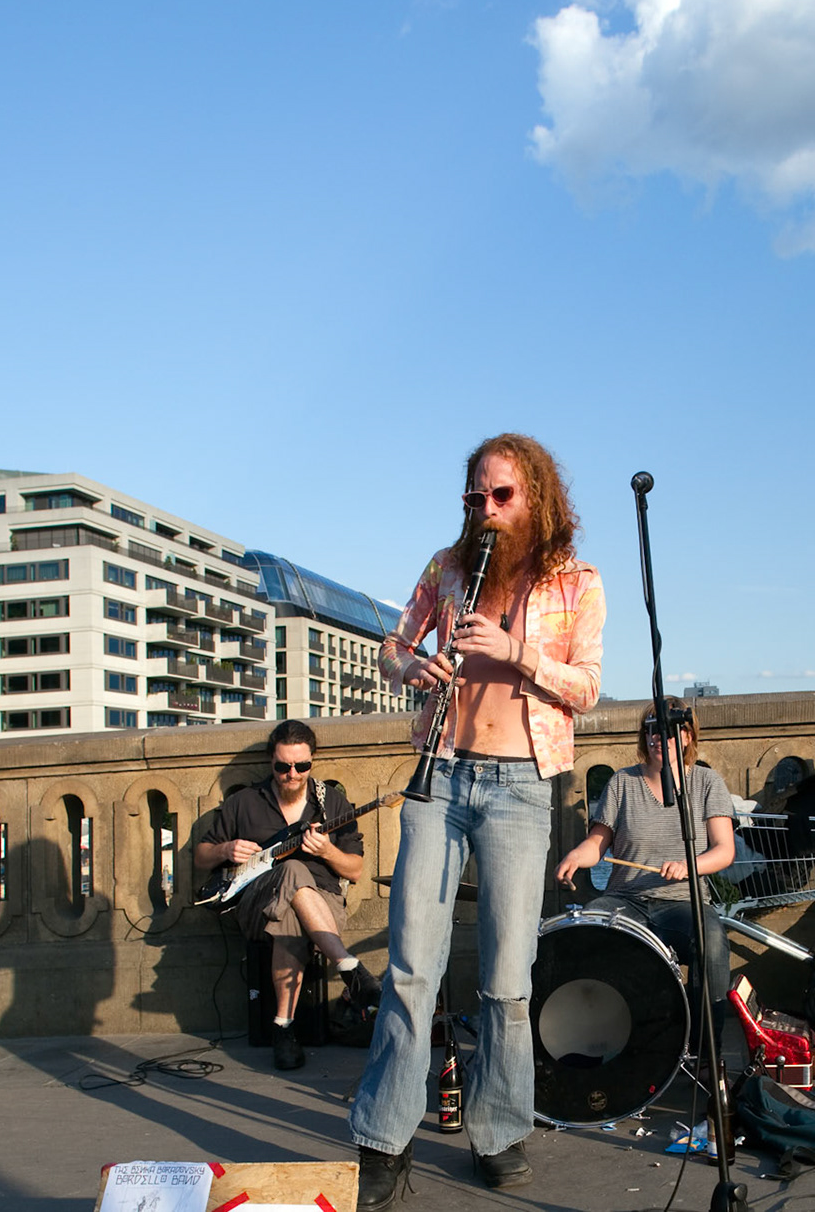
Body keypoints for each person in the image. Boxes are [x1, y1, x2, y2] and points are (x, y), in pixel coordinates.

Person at [351, 433, 604, 1210]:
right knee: (409, 968)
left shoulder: (578, 581)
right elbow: (391, 647)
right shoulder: (448, 568)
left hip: (522, 785)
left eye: (501, 497)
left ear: (537, 498)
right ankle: (385, 1139)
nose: (486, 511)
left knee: (506, 978)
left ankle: (500, 1132)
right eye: (475, 498)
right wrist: (411, 665)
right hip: (441, 774)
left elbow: (588, 687)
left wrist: (516, 650)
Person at [555, 697, 735, 1052]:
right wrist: (579, 853)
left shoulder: (706, 782)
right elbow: (597, 843)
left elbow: (724, 850)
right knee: (583, 931)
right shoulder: (622, 783)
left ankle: (706, 1051)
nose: (659, 738)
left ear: (686, 736)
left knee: (711, 943)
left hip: (683, 903)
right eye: (652, 730)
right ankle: (596, 1042)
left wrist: (688, 866)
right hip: (628, 901)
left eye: (669, 730)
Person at [195, 720, 374, 1071]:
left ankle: (283, 1028)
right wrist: (226, 850)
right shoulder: (244, 803)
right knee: (291, 871)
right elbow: (201, 856)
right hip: (255, 906)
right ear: (270, 762)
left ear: (312, 761)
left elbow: (353, 870)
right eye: (283, 766)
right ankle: (347, 966)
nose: (292, 774)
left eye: (301, 766)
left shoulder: (331, 803)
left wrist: (326, 852)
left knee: (292, 910)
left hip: (325, 906)